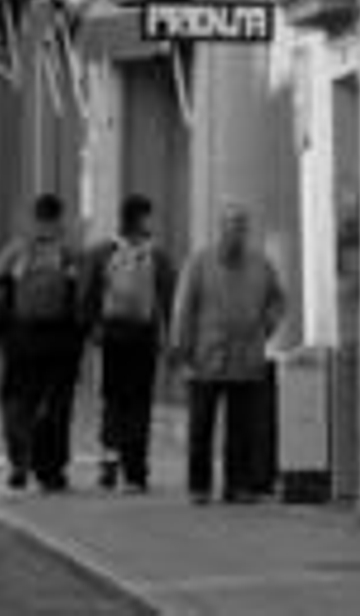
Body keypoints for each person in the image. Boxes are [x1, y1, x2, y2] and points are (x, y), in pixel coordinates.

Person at [170, 202, 286, 505]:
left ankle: (238, 485)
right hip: (206, 357)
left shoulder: (261, 264)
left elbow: (277, 300)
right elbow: (183, 308)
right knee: (201, 426)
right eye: (230, 227)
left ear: (246, 232)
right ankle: (200, 486)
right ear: (220, 229)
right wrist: (181, 352)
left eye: (240, 228)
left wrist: (266, 327)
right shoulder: (199, 262)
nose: (235, 234)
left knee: (242, 428)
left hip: (246, 357)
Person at [0, 193, 88, 492]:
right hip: (59, 339)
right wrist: (79, 337)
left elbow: (0, 293)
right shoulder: (69, 252)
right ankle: (51, 470)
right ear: (60, 217)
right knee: (57, 404)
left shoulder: (18, 248)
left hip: (22, 338)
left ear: (35, 216)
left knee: (16, 400)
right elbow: (81, 298)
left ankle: (20, 461)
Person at [87, 194, 177, 492]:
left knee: (113, 399)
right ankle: (135, 472)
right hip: (142, 335)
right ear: (142, 218)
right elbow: (170, 297)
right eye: (149, 216)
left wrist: (94, 329)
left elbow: (89, 293)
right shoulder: (158, 255)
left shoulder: (103, 251)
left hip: (112, 334)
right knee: (139, 402)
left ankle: (109, 464)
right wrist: (170, 336)